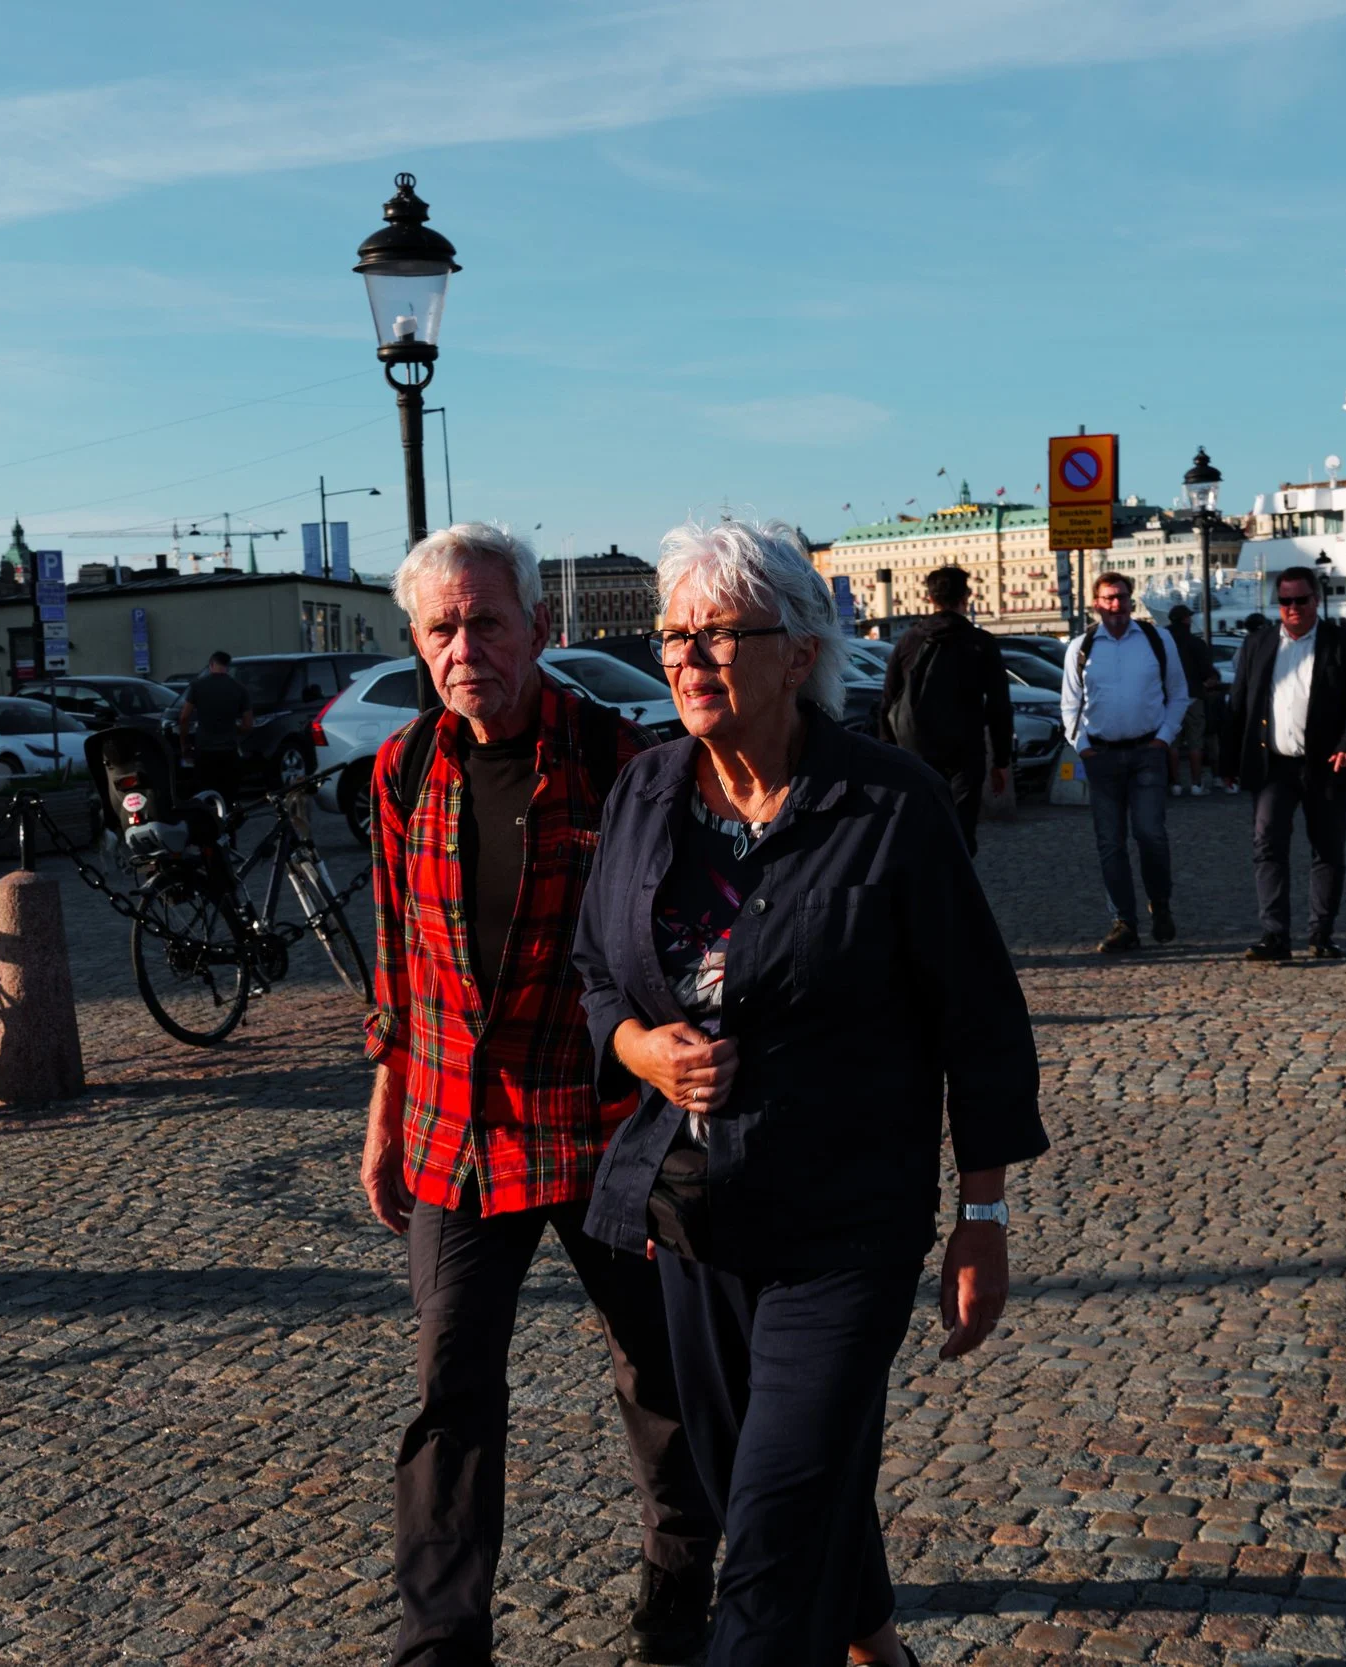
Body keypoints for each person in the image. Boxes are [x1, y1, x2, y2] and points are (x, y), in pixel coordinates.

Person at [574, 519, 1046, 1667]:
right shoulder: (645, 796)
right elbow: (593, 972)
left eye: (719, 633)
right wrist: (637, 1049)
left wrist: (980, 1220)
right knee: (761, 1488)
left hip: (843, 1226)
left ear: (798, 650)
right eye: (674, 633)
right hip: (693, 1220)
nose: (686, 658)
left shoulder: (889, 807)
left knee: (773, 1539)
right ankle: (876, 1639)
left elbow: (977, 1021)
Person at [359, 524, 717, 1667]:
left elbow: (683, 941)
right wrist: (382, 1105)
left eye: (486, 621)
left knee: (656, 1370)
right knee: (449, 1385)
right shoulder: (401, 768)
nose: (466, 646)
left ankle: (678, 1576)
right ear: (418, 645)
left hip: (607, 1121)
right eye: (441, 628)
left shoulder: (626, 763)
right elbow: (396, 958)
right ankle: (441, 1639)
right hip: (453, 1128)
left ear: (538, 632)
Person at [1220, 566, 1346, 961]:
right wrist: (1228, 759)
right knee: (1267, 844)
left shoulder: (1342, 643)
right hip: (1273, 763)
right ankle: (1274, 935)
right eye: (1285, 601)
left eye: (1300, 600)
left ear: (1315, 601)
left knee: (1327, 848)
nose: (1293, 608)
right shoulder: (1258, 644)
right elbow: (1239, 703)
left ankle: (1321, 933)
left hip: (1326, 762)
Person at [1058, 571, 1187, 952]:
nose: (1116, 605)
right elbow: (1069, 706)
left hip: (1148, 752)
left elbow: (1178, 694)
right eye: (1108, 598)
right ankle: (1123, 922)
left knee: (1151, 834)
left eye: (1122, 597)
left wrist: (1164, 739)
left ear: (1132, 600)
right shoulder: (1081, 647)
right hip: (1102, 755)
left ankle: (1159, 904)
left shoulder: (1156, 640)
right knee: (1110, 844)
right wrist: (1082, 747)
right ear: (1096, 604)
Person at [878, 564, 1016, 848]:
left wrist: (888, 752)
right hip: (966, 752)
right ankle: (958, 888)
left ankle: (924, 889)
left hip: (915, 751)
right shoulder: (981, 643)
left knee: (919, 829)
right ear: (966, 597)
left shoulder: (908, 641)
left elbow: (888, 701)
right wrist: (1001, 761)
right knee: (961, 831)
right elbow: (999, 706)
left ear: (930, 598)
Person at [176, 650, 253, 801]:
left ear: (211, 665)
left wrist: (184, 745)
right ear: (227, 666)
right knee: (228, 796)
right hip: (229, 751)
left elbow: (184, 717)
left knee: (204, 795)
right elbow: (248, 725)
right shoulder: (239, 689)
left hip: (204, 751)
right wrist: (233, 728)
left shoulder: (198, 686)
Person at [1164, 603, 1219, 797]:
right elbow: (1207, 671)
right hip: (1193, 695)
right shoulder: (1196, 643)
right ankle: (1196, 784)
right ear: (1186, 619)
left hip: (1169, 698)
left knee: (1173, 744)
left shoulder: (1164, 640)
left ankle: (1175, 784)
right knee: (1196, 742)